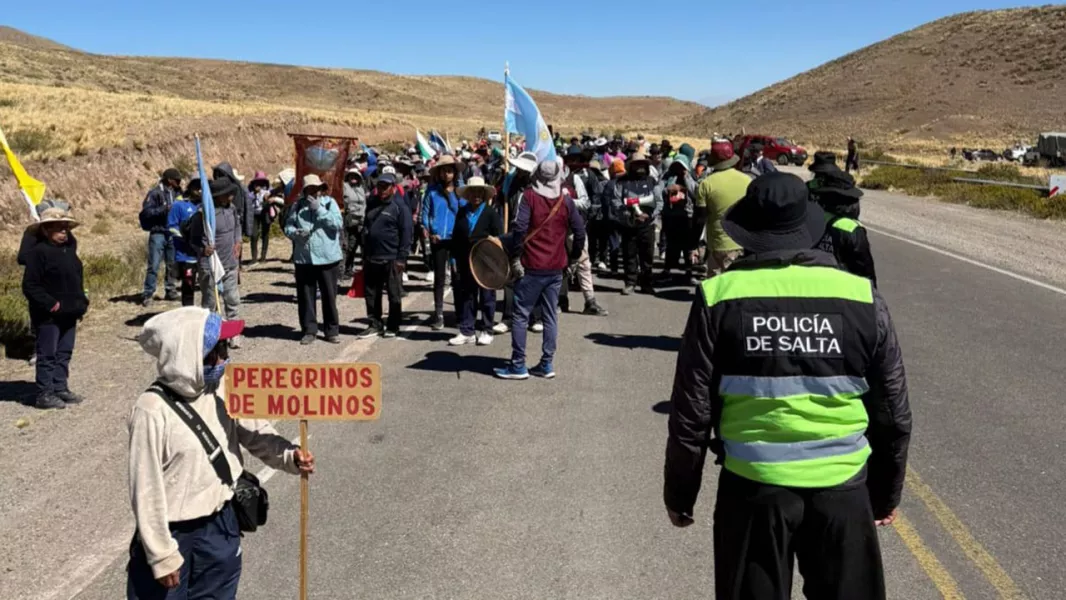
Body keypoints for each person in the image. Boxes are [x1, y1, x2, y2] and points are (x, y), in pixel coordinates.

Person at [663, 172, 911, 600]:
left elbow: (691, 412)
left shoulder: (718, 295)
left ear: (751, 231)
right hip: (843, 488)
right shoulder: (862, 296)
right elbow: (893, 410)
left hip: (753, 487)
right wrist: (885, 494)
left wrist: (681, 494)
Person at [126, 307, 315, 600]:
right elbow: (145, 487)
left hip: (221, 525)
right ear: (189, 355)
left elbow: (255, 433)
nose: (226, 358)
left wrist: (290, 456)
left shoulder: (224, 387)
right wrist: (160, 554)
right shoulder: (151, 410)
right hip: (173, 534)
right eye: (220, 349)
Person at [494, 158, 585, 380]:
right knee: (550, 316)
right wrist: (573, 257)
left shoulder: (529, 197)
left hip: (531, 266)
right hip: (556, 267)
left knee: (520, 315)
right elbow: (580, 231)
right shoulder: (566, 200)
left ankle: (518, 365)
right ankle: (546, 364)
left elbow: (520, 228)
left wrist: (515, 256)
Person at [21, 206, 88, 410]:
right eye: (59, 228)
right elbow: (30, 286)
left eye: (66, 227)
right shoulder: (38, 253)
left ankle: (60, 387)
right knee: (47, 354)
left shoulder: (69, 250)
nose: (64, 231)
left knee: (64, 352)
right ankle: (44, 394)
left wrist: (82, 301)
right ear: (46, 230)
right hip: (48, 315)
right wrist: (51, 303)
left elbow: (76, 278)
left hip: (70, 311)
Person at [285, 175, 344, 345]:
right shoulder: (297, 206)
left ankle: (331, 330)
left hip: (327, 257)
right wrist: (295, 233)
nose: (312, 192)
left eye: (315, 188)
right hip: (304, 258)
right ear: (304, 191)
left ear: (320, 189)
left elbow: (337, 224)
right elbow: (288, 226)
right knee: (306, 296)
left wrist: (319, 210)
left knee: (329, 295)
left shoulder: (329, 203)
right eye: (309, 189)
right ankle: (309, 330)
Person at [189, 179, 243, 347]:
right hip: (210, 266)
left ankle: (233, 333)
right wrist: (201, 249)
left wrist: (238, 241)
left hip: (230, 264)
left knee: (232, 299)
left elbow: (237, 228)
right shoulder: (202, 215)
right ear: (218, 197)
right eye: (228, 194)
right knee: (211, 303)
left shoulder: (232, 209)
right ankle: (212, 336)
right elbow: (192, 239)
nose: (231, 196)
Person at [449, 177, 502, 346]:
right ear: (468, 194)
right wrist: (453, 258)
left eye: (479, 192)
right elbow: (455, 238)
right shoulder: (462, 212)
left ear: (484, 194)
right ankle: (467, 330)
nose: (476, 195)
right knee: (467, 295)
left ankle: (487, 329)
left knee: (487, 296)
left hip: (486, 261)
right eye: (473, 192)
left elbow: (500, 237)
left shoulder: (490, 213)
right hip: (465, 260)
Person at [360, 172, 412, 339]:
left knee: (393, 293)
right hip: (371, 256)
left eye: (385, 186)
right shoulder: (372, 203)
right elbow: (366, 226)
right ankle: (375, 324)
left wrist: (401, 258)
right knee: (371, 293)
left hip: (391, 257)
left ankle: (393, 325)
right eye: (379, 186)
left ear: (393, 188)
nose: (382, 189)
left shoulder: (400, 207)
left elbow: (406, 233)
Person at [810, 164, 878, 286]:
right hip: (844, 290)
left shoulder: (814, 218)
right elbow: (865, 270)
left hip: (815, 285)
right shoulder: (851, 229)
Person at [494, 152, 538, 334]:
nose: (519, 171)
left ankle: (536, 316)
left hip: (532, 235)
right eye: (518, 168)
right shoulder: (510, 184)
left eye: (523, 169)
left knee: (533, 277)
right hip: (512, 234)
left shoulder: (537, 188)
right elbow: (502, 203)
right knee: (510, 277)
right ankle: (508, 317)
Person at [561, 148, 608, 316]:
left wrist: (567, 202)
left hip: (574, 228)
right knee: (560, 263)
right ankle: (561, 298)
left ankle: (590, 300)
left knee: (583, 263)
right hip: (555, 229)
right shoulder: (548, 181)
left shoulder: (576, 179)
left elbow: (586, 202)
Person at [607, 152, 661, 295]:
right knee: (629, 254)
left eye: (642, 165)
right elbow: (616, 202)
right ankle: (630, 282)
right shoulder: (622, 182)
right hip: (629, 225)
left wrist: (649, 216)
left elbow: (659, 201)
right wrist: (629, 215)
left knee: (647, 256)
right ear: (631, 166)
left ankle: (646, 283)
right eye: (637, 165)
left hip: (647, 225)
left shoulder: (652, 181)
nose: (640, 168)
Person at [694, 142, 751, 276]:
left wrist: (694, 244)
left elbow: (700, 218)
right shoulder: (747, 181)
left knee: (715, 286)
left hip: (716, 244)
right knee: (734, 285)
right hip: (740, 243)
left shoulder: (706, 184)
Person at [421, 154, 464, 330]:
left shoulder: (461, 193)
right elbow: (425, 214)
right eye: (444, 171)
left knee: (457, 277)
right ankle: (438, 314)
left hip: (455, 241)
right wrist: (430, 231)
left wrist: (452, 195)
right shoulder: (431, 192)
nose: (447, 175)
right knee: (439, 279)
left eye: (450, 171)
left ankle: (460, 314)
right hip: (438, 240)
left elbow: (462, 213)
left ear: (455, 173)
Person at [139, 168, 181, 307]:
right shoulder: (155, 193)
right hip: (158, 233)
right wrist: (164, 209)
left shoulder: (177, 192)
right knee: (154, 265)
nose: (179, 182)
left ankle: (170, 290)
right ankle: (148, 294)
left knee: (172, 264)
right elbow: (146, 212)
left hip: (172, 232)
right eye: (177, 180)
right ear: (169, 180)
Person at [659, 154, 699, 281]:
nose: (678, 168)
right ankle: (667, 270)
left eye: (681, 166)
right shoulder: (667, 176)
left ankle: (689, 271)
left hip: (687, 215)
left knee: (688, 245)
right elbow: (659, 190)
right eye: (676, 165)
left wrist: (685, 181)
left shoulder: (690, 176)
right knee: (671, 244)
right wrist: (669, 189)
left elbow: (695, 192)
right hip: (671, 215)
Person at [167, 179, 203, 307]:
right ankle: (188, 311)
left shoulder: (207, 204)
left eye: (202, 187)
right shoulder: (179, 205)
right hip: (186, 255)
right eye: (197, 187)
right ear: (191, 188)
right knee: (188, 285)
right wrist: (184, 238)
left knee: (208, 285)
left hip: (204, 253)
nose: (200, 190)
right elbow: (171, 226)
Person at [342, 169, 368, 277]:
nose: (353, 178)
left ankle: (349, 268)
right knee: (345, 246)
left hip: (360, 220)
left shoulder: (361, 188)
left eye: (355, 176)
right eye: (351, 176)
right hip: (348, 219)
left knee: (354, 245)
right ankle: (342, 270)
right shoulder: (344, 187)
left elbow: (364, 204)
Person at [246, 171, 273, 264]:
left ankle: (263, 257)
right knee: (254, 235)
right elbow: (248, 198)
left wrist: (268, 197)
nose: (260, 184)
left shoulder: (269, 189)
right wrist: (254, 193)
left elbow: (273, 196)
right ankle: (254, 258)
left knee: (265, 234)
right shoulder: (250, 189)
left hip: (265, 212)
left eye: (262, 182)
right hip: (254, 213)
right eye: (258, 182)